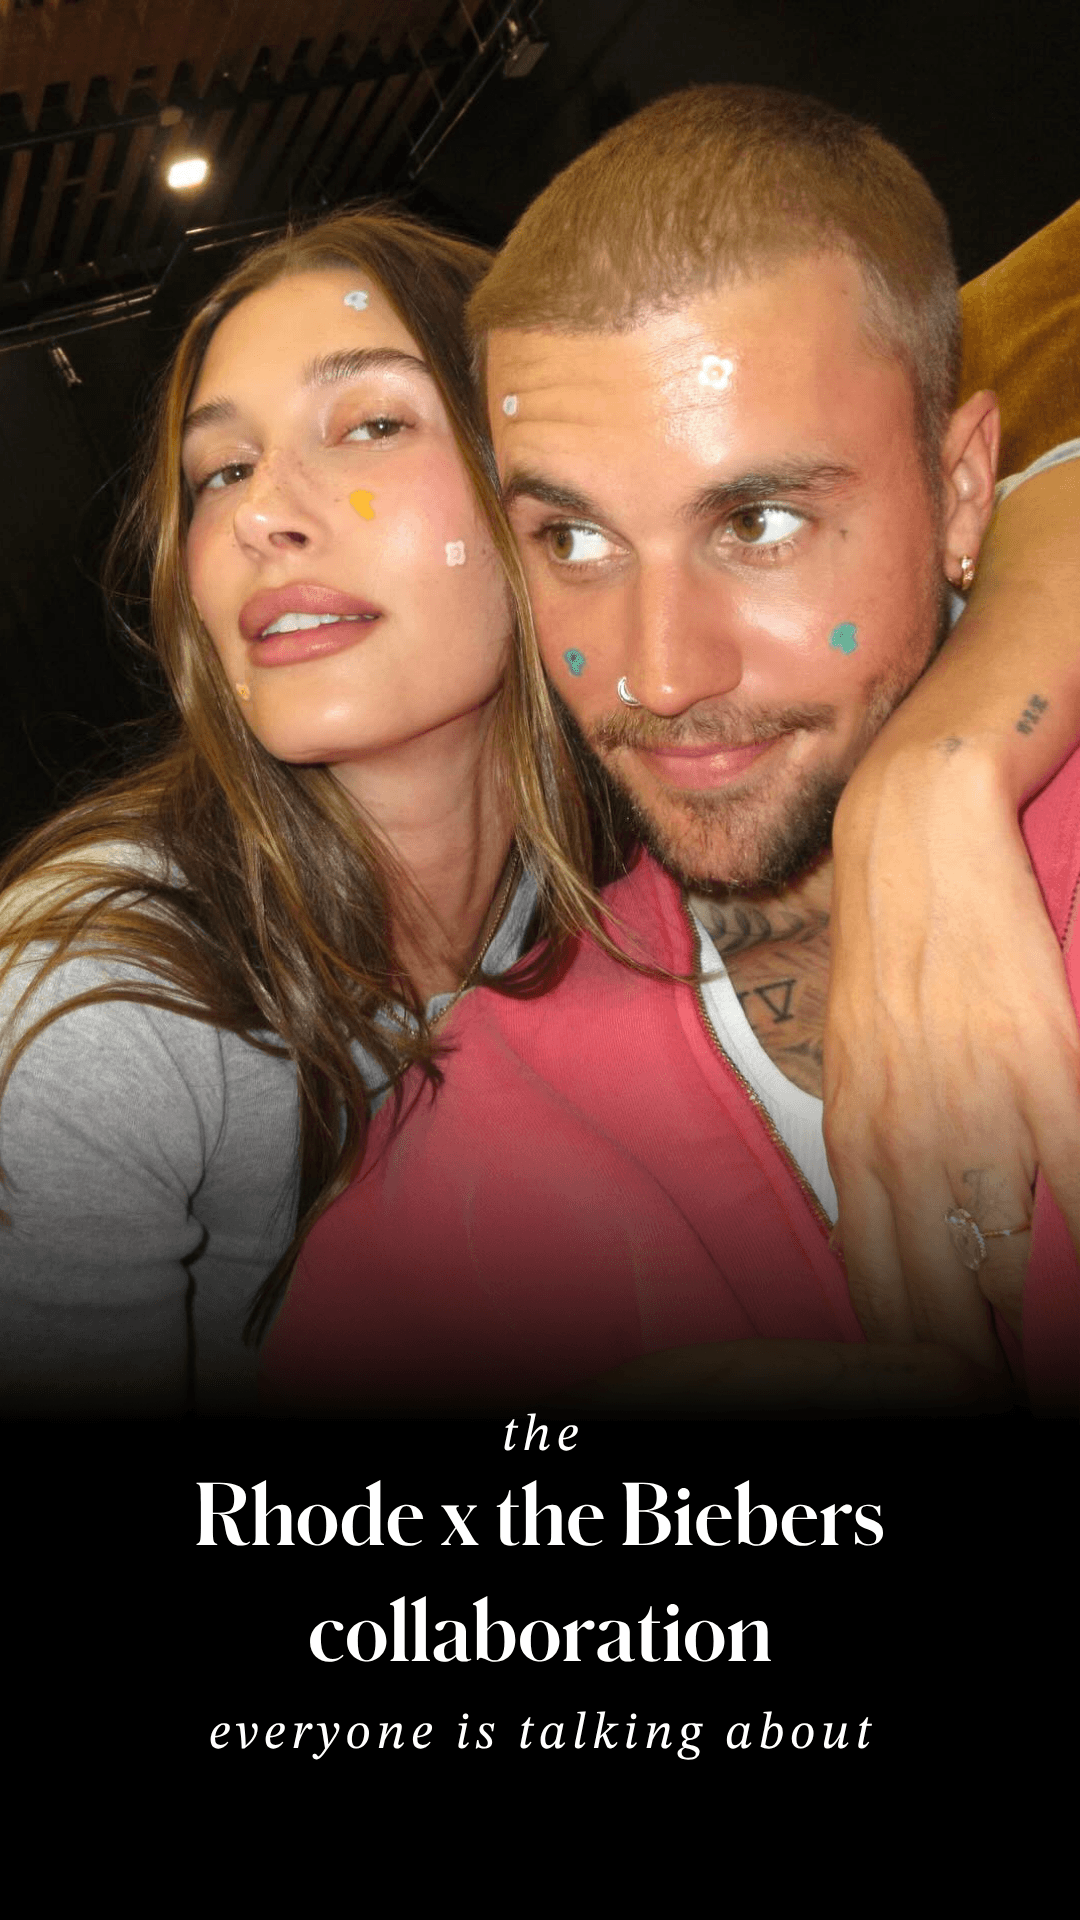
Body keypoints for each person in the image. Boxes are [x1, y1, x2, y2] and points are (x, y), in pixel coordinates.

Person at [262, 87, 1080, 1417]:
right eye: (574, 541)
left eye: (756, 522)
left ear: (964, 489)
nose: (657, 674)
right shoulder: (469, 1145)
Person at [0, 209, 599, 1415]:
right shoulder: (102, 1005)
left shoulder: (641, 843)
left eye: (373, 424)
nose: (259, 514)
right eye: (221, 471)